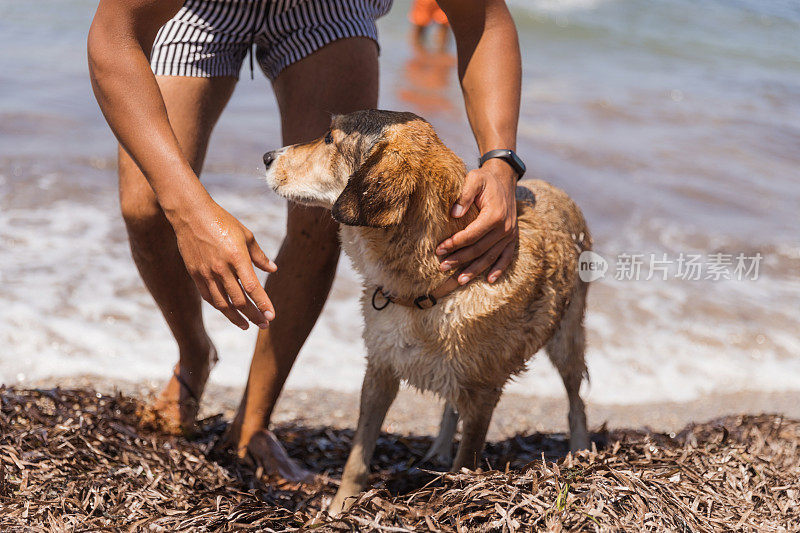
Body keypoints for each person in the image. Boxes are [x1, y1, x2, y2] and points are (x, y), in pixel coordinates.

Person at [87, 0, 523, 480]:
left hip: (325, 10)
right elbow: (114, 35)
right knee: (147, 206)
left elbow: (482, 17)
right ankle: (194, 354)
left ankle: (252, 428)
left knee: (322, 218)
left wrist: (500, 161)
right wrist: (188, 210)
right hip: (202, 10)